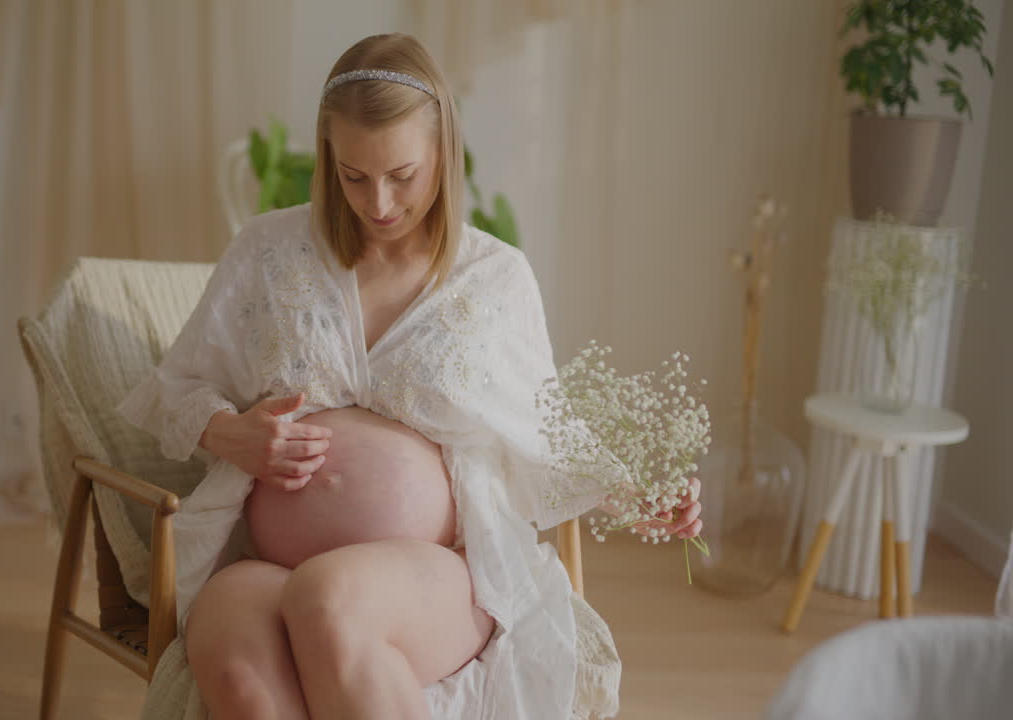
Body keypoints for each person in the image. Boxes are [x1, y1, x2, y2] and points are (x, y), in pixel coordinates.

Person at [118, 32, 702, 720]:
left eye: (403, 175)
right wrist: (231, 435)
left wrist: (641, 494)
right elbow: (177, 390)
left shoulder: (494, 278)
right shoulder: (267, 252)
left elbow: (545, 434)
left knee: (328, 600)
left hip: (435, 579)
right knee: (242, 678)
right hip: (262, 563)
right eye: (353, 176)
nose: (380, 203)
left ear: (444, 154)